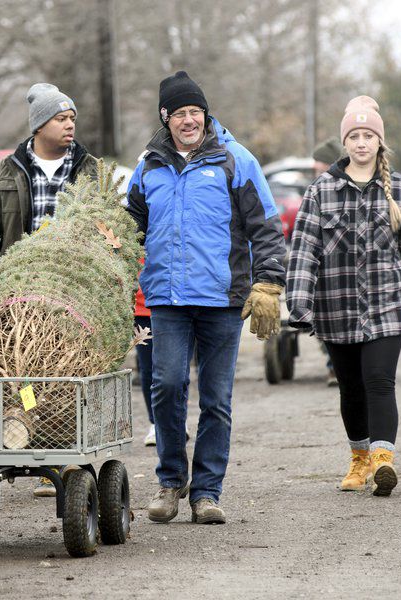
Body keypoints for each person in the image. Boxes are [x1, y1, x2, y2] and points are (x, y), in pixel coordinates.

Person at [127, 71, 286, 525]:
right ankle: (171, 481)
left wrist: (268, 282)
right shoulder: (149, 166)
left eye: (195, 112)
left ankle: (206, 492)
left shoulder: (235, 160)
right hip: (167, 298)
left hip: (222, 298)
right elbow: (128, 227)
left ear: (205, 114)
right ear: (166, 117)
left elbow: (266, 226)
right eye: (180, 113)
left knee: (216, 398)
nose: (189, 120)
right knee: (167, 386)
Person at [286, 96, 401, 497]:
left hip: (387, 301)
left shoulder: (400, 189)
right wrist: (299, 303)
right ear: (345, 142)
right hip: (336, 305)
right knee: (351, 387)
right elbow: (304, 251)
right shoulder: (321, 191)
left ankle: (383, 460)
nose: (361, 143)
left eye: (368, 136)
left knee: (379, 380)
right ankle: (359, 458)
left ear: (379, 142)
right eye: (354, 136)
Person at [0, 83, 97, 498]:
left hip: (74, 292)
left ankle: (69, 457)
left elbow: (107, 225)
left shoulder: (90, 170)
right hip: (20, 292)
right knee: (29, 370)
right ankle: (42, 451)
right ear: (40, 125)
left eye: (72, 118)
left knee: (70, 372)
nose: (70, 125)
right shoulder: (8, 169)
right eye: (61, 118)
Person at [134, 276, 191, 447]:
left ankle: (179, 419)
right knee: (148, 368)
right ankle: (155, 423)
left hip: (177, 304)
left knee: (178, 368)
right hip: (142, 306)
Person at [311, 137, 344, 388]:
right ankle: (334, 363)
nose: (315, 167)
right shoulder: (314, 189)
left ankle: (337, 366)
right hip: (320, 267)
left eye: (319, 162)